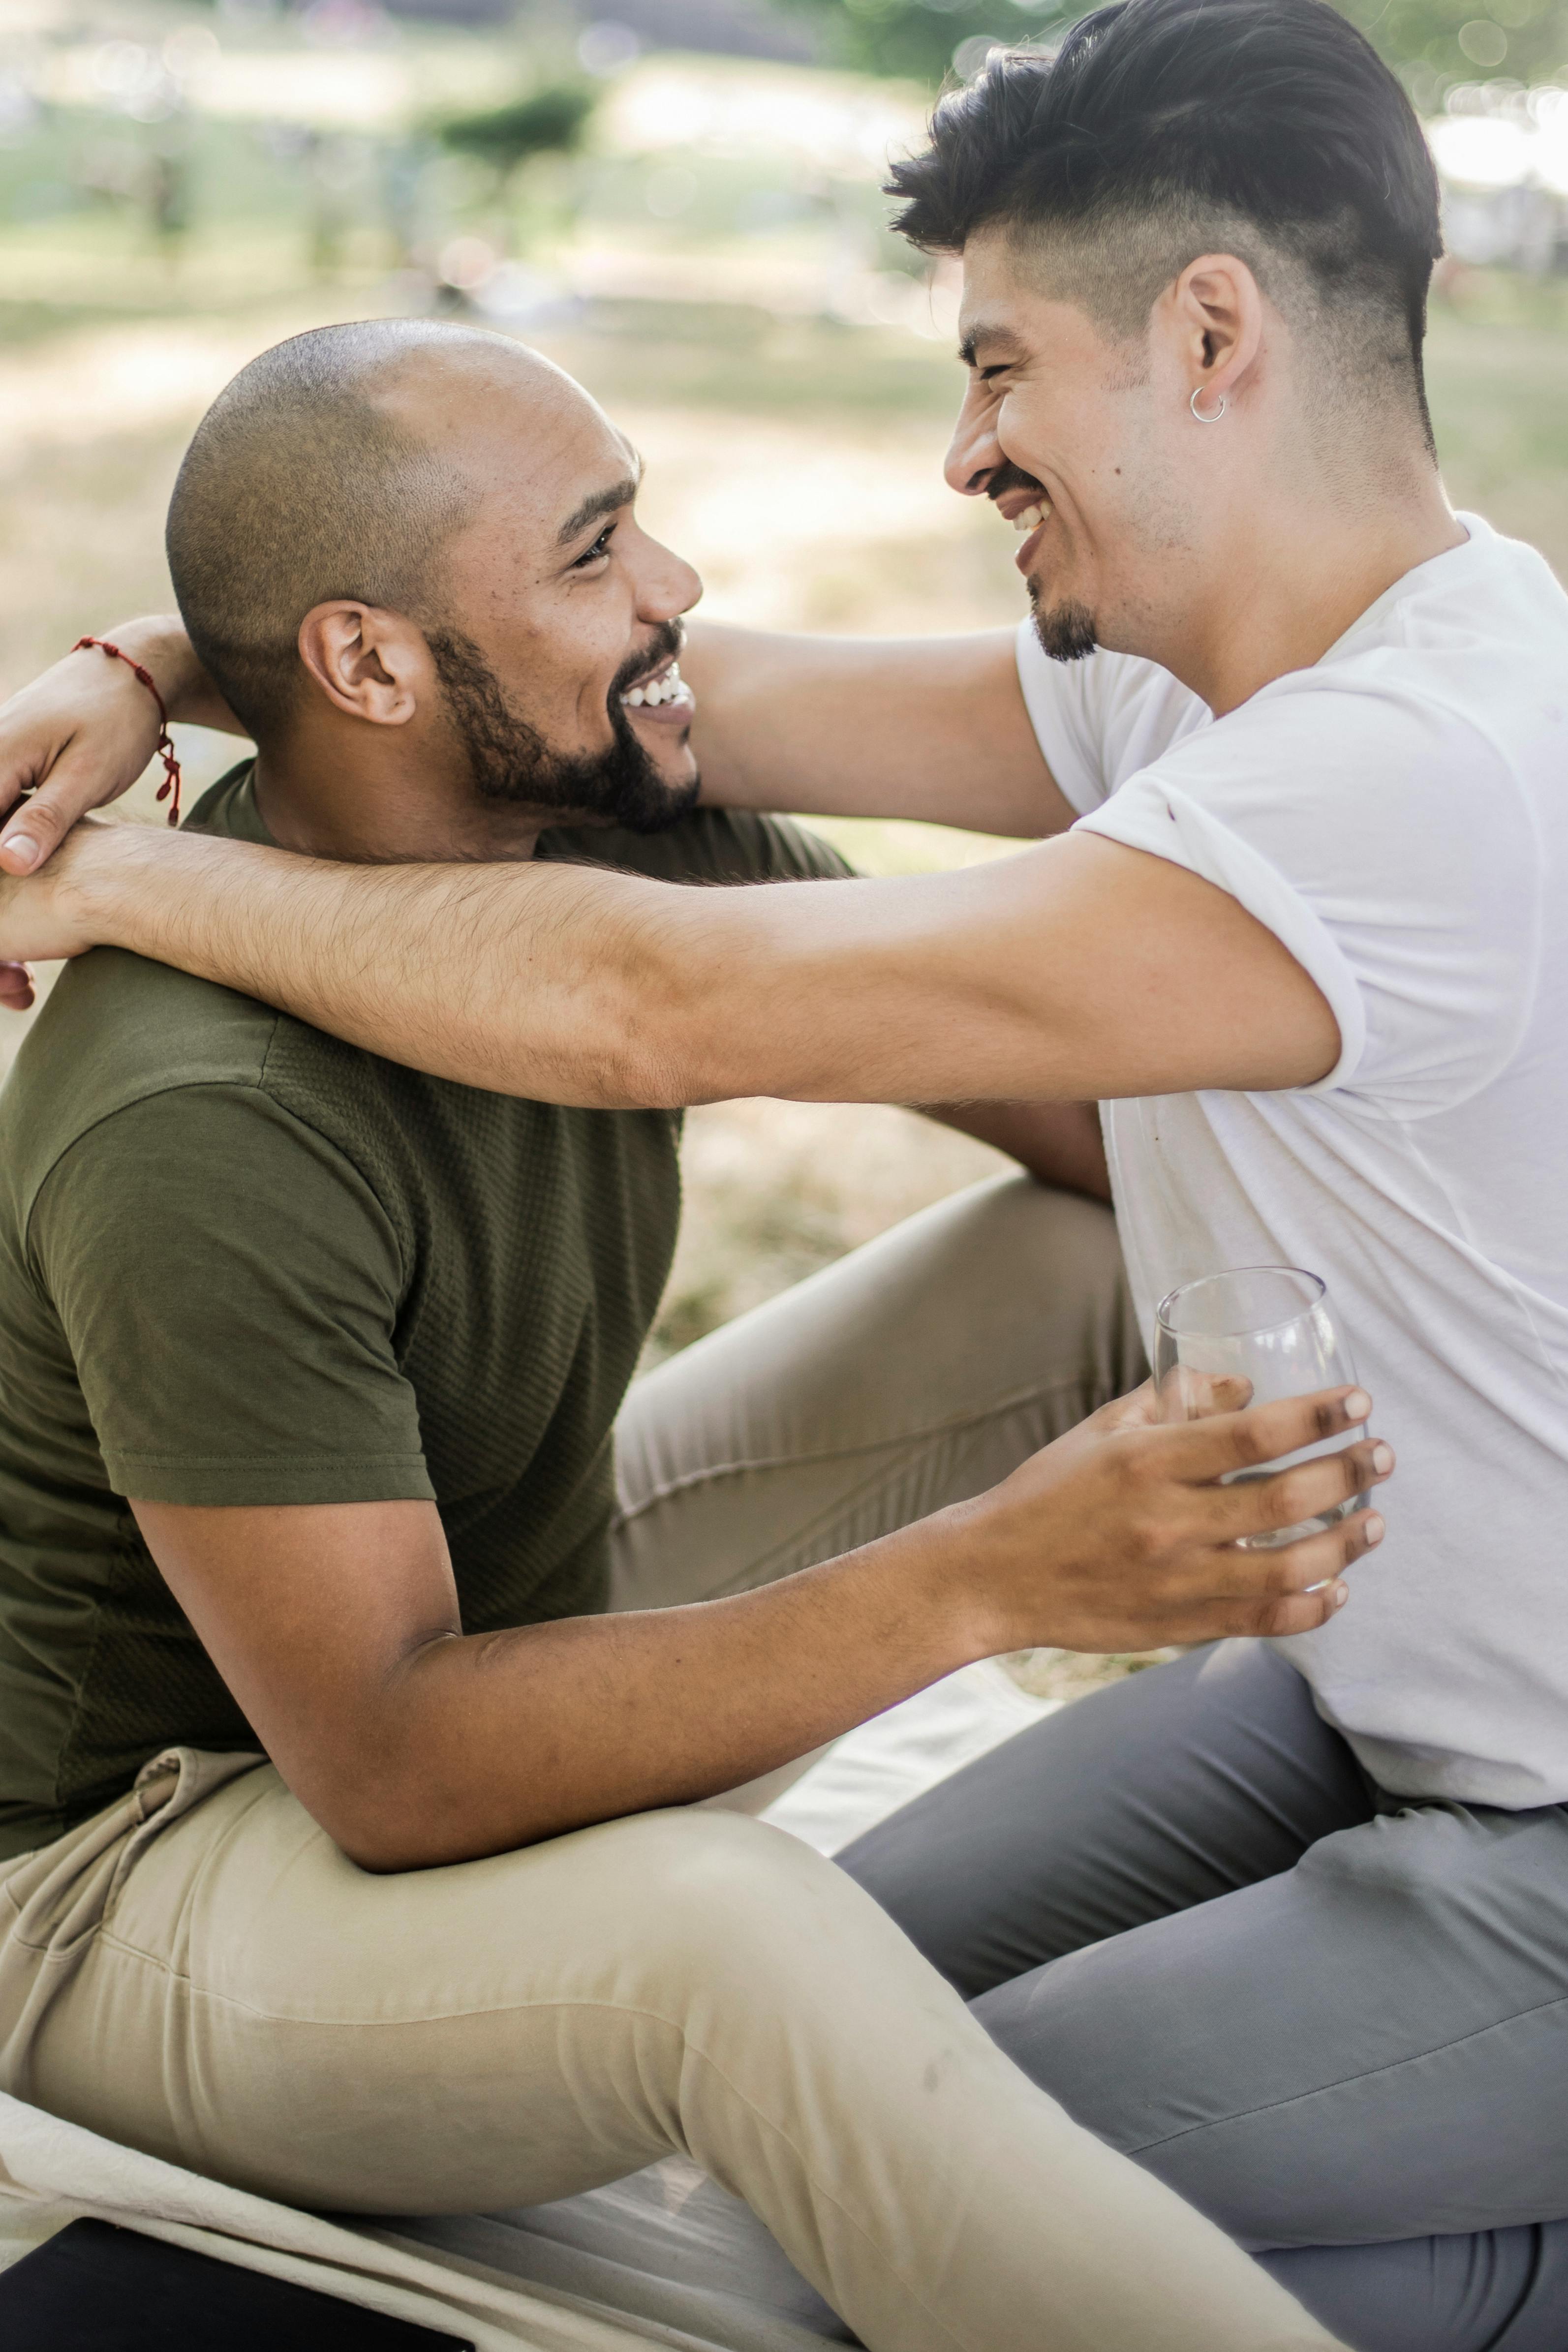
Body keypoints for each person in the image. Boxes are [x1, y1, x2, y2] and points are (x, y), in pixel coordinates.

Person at [1, 0, 1559, 2341]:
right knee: (864, 2065)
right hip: (1366, 1700)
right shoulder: (1220, 671)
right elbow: (640, 700)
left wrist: (109, 882)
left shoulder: (1408, 775)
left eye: (999, 368)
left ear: (1208, 335)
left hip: (1539, 1795)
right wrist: (167, 652)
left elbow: (662, 987)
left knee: (914, 2158)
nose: (957, 451)